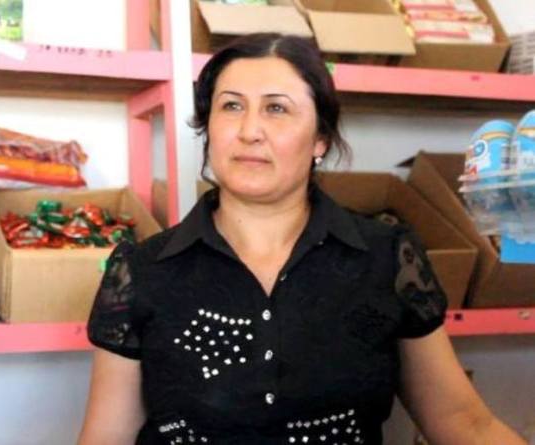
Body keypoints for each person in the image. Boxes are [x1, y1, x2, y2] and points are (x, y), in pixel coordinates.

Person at [78, 33, 526, 445]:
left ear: (320, 139)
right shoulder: (142, 271)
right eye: (231, 106)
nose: (249, 130)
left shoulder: (386, 258)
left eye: (276, 108)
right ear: (208, 127)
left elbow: (463, 422)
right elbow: (105, 438)